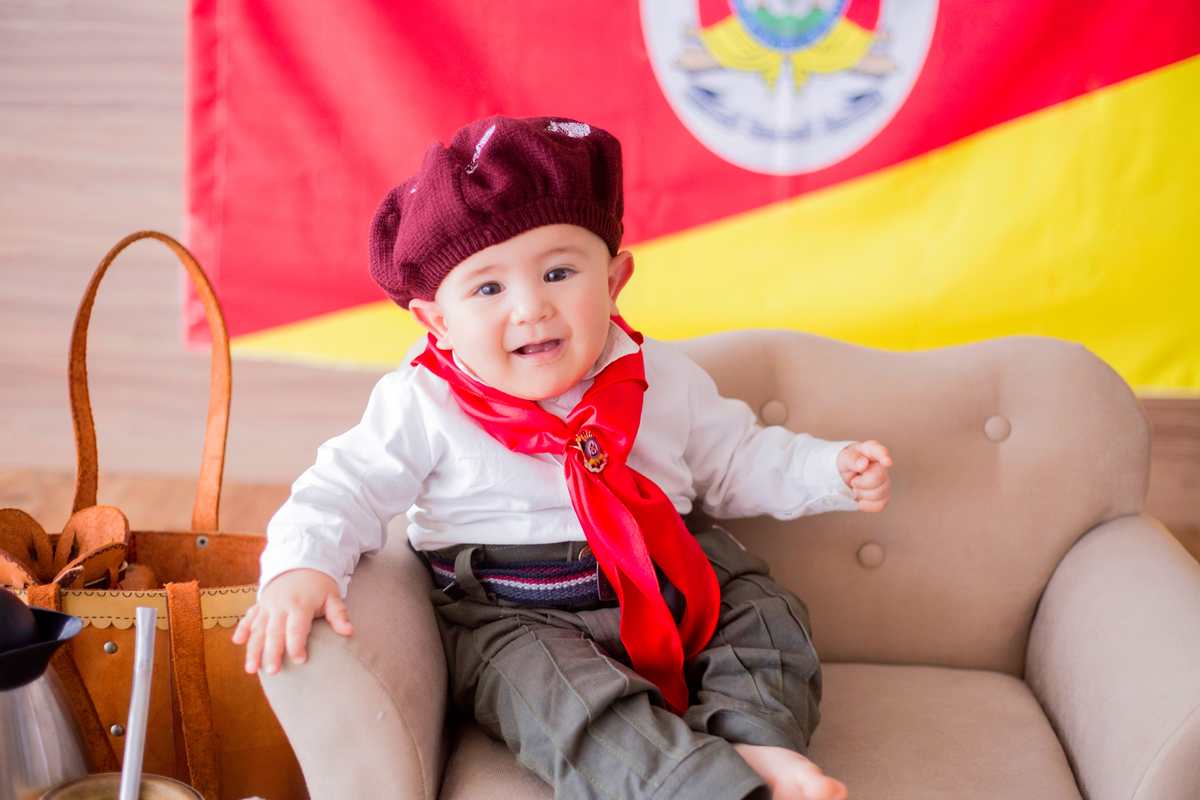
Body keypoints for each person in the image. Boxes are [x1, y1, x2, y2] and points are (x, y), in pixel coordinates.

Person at [234, 115, 891, 800]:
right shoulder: (421, 404)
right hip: (514, 610)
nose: (531, 308)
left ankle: (756, 739)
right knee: (565, 704)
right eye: (488, 289)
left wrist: (827, 470)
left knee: (765, 613)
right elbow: (343, 487)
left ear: (614, 280)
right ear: (438, 321)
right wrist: (302, 566)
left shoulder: (657, 375)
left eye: (557, 272)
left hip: (669, 570)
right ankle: (698, 786)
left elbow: (734, 459)